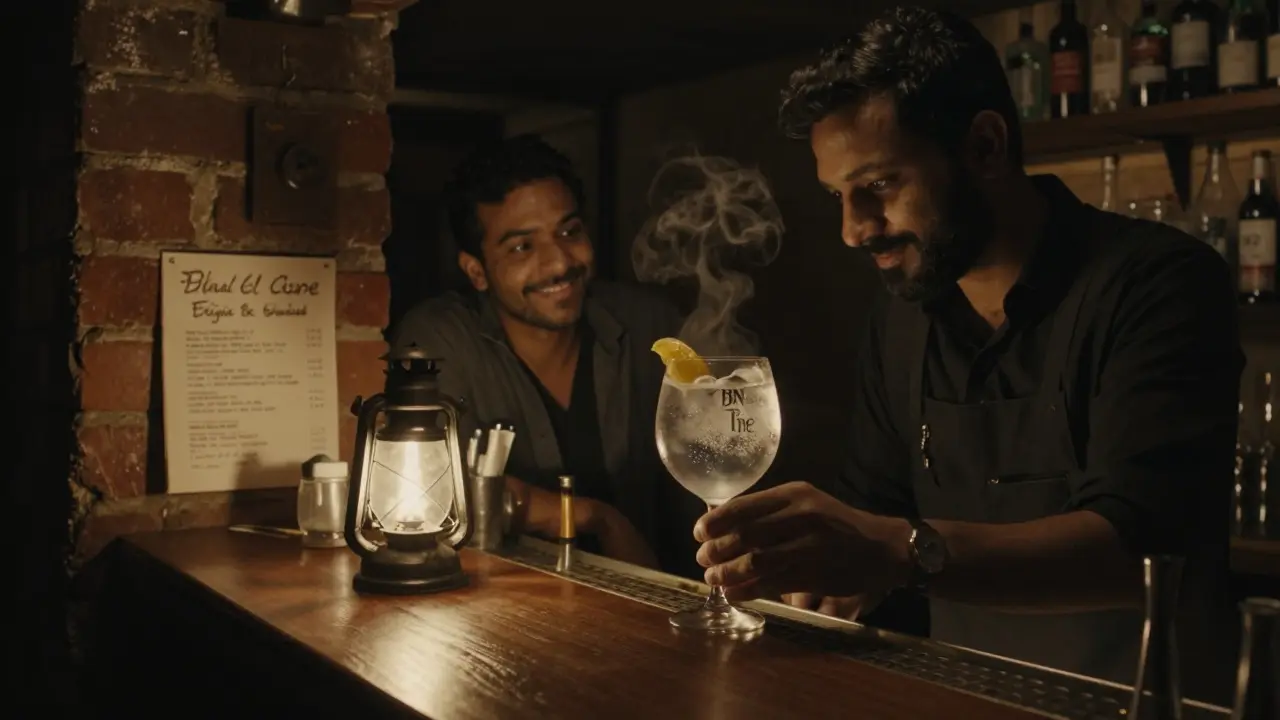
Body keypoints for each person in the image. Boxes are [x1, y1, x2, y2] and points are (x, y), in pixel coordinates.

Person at [691, 6, 1242, 700]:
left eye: (880, 186)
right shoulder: (902, 317)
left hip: (1144, 705)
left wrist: (892, 551)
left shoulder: (1158, 282)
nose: (853, 229)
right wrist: (823, 579)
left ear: (985, 147)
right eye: (839, 196)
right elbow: (876, 509)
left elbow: (1141, 547)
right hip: (964, 700)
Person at [391, 134, 702, 575]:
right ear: (476, 271)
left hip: (659, 610)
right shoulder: (438, 341)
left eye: (569, 232)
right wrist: (596, 518)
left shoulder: (651, 326)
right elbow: (432, 489)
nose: (559, 263)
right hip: (502, 611)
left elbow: (709, 477)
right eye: (522, 246)